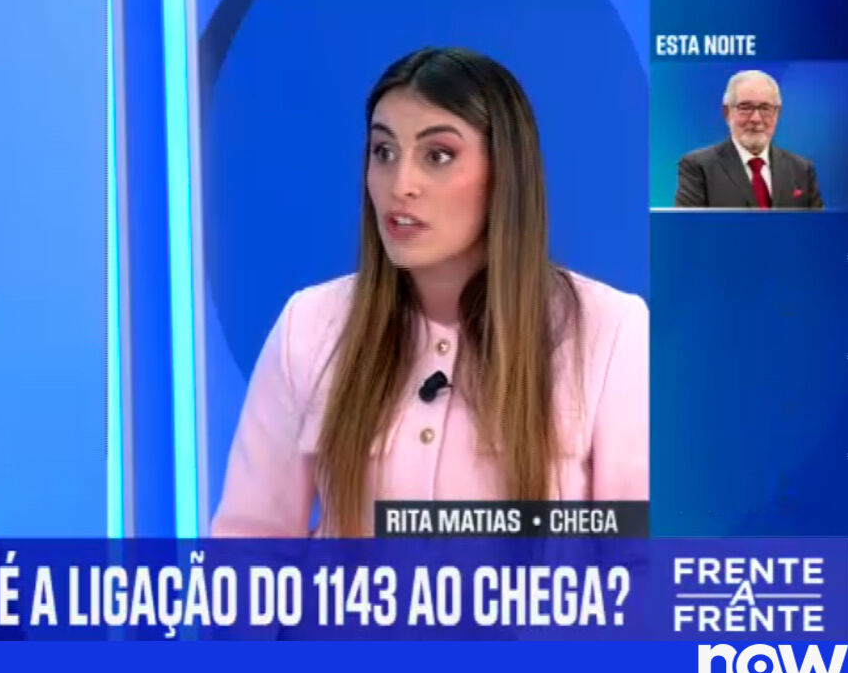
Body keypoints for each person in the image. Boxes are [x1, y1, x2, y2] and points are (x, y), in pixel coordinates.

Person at [211, 48, 649, 538]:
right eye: (384, 152)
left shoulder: (610, 331)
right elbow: (248, 551)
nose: (401, 185)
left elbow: (639, 560)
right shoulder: (309, 325)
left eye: (437, 155)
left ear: (504, 172)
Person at [675, 70, 823, 209]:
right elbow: (688, 226)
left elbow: (819, 226)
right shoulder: (699, 167)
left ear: (777, 113)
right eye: (745, 107)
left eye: (765, 108)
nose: (756, 119)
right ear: (727, 112)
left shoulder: (801, 169)